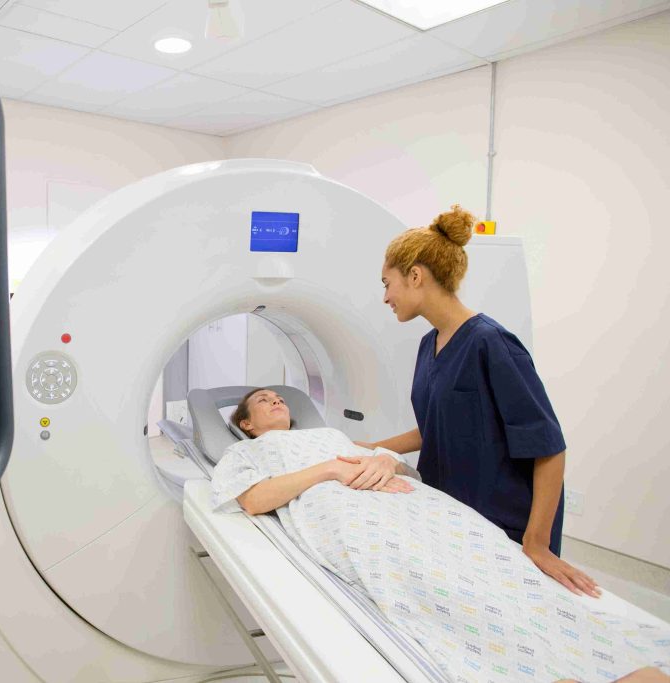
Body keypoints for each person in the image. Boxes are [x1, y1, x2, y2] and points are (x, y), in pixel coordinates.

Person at [213, 388, 670, 683]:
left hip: (411, 503)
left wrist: (384, 461)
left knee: (491, 558)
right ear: (247, 424)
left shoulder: (333, 434)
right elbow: (254, 500)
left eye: (279, 397)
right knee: (431, 576)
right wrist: (330, 469)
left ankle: (605, 657)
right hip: (345, 512)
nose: (276, 402)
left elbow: (391, 460)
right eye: (263, 401)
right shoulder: (249, 451)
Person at [356, 205, 598, 599]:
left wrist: (536, 543)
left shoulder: (491, 343)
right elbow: (440, 424)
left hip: (505, 527)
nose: (385, 297)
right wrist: (372, 447)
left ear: (415, 276)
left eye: (388, 283)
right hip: (452, 516)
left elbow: (549, 447)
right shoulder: (427, 345)